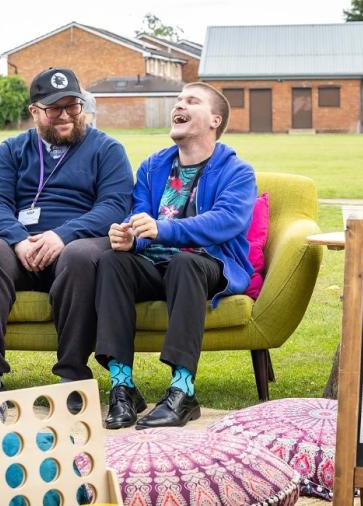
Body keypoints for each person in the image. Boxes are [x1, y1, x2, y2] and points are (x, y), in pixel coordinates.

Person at [95, 82, 257, 429]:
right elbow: (139, 216)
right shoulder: (153, 166)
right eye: (178, 100)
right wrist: (129, 236)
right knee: (112, 261)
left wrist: (163, 229)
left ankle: (183, 392)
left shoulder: (236, 171)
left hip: (209, 265)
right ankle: (122, 388)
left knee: (185, 263)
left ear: (215, 120)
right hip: (156, 265)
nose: (178, 106)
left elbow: (227, 221)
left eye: (191, 101)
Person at [0, 67, 133, 391]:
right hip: (23, 246)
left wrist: (63, 235)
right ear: (34, 111)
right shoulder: (12, 149)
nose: (66, 115)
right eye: (55, 108)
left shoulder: (107, 149)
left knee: (79, 257)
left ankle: (72, 378)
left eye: (73, 106)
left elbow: (114, 205)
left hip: (78, 243)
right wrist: (17, 240)